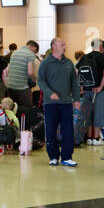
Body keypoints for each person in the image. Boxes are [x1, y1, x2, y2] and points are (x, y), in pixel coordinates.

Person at [39, 37, 81, 167]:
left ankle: (67, 157)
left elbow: (74, 83)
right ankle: (53, 156)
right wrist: (49, 93)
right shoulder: (45, 63)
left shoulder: (69, 63)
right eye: (62, 44)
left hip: (66, 103)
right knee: (50, 130)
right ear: (54, 47)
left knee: (68, 130)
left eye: (64, 44)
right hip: (50, 104)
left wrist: (77, 99)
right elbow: (40, 81)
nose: (65, 47)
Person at [77, 38, 104, 146]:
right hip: (97, 91)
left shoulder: (84, 57)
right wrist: (101, 87)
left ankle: (89, 138)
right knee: (98, 114)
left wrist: (81, 87)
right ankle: (96, 138)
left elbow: (77, 72)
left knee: (88, 114)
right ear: (101, 46)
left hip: (86, 90)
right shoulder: (103, 58)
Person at [4, 40, 39, 114]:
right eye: (35, 52)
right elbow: (30, 72)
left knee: (12, 110)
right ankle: (25, 125)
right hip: (22, 88)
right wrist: (34, 80)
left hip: (10, 86)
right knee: (27, 110)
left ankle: (14, 125)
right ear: (33, 47)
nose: (35, 54)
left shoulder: (14, 53)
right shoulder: (30, 54)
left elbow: (9, 69)